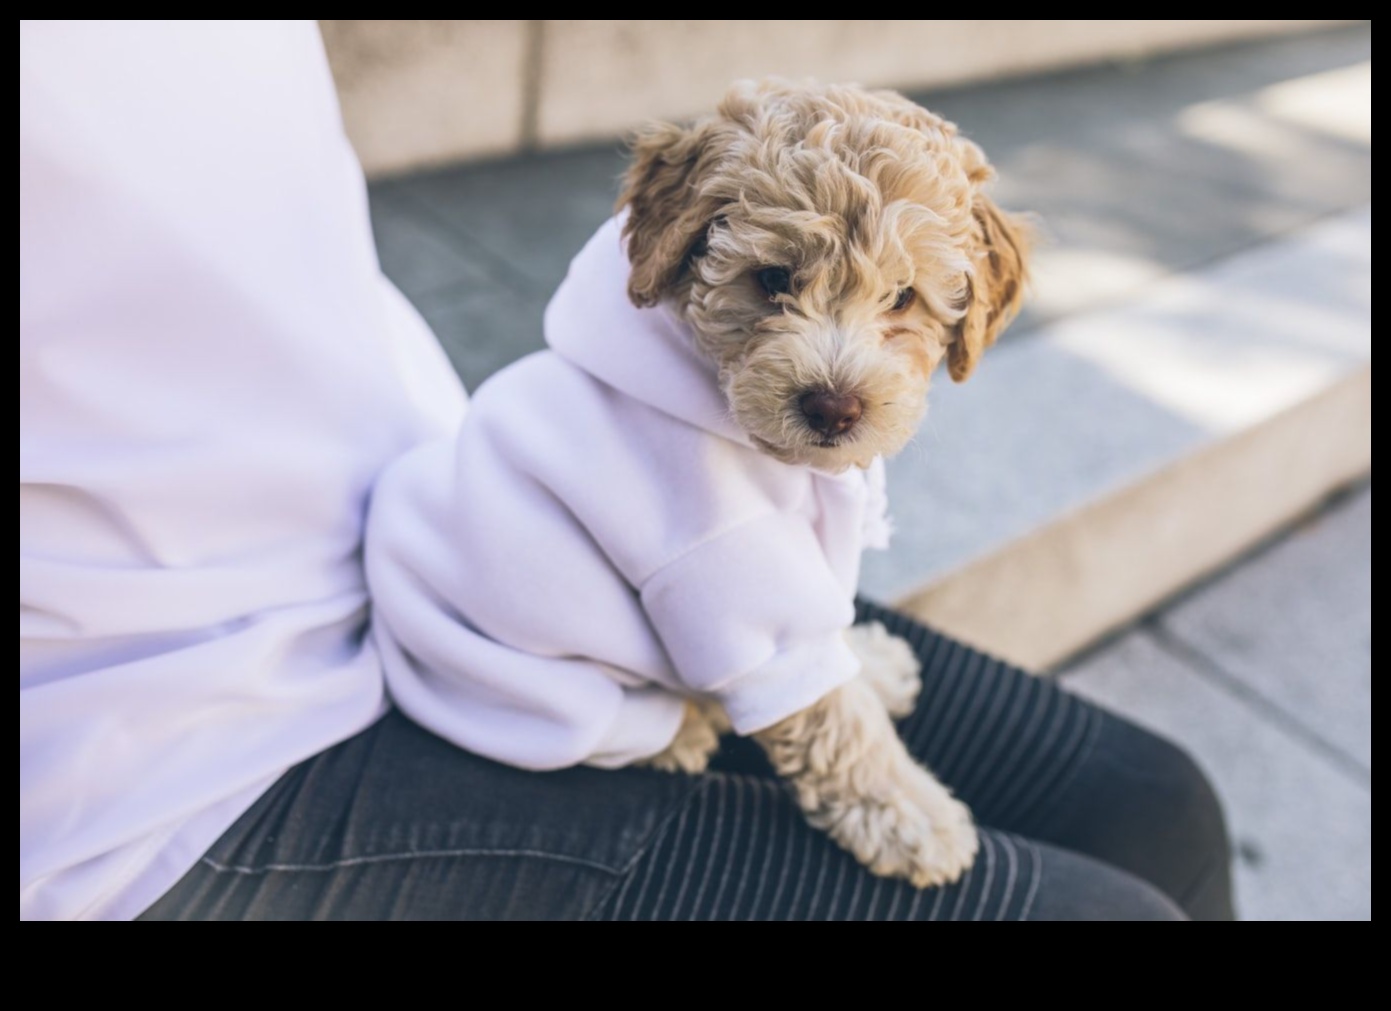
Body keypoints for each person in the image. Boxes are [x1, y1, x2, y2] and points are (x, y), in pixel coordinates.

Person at [20, 20, 1234, 921]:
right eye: (774, 281)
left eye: (906, 306)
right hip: (180, 751)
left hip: (453, 527)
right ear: (674, 240)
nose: (837, 366)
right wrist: (842, 742)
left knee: (1155, 801)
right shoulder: (677, 454)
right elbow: (758, 639)